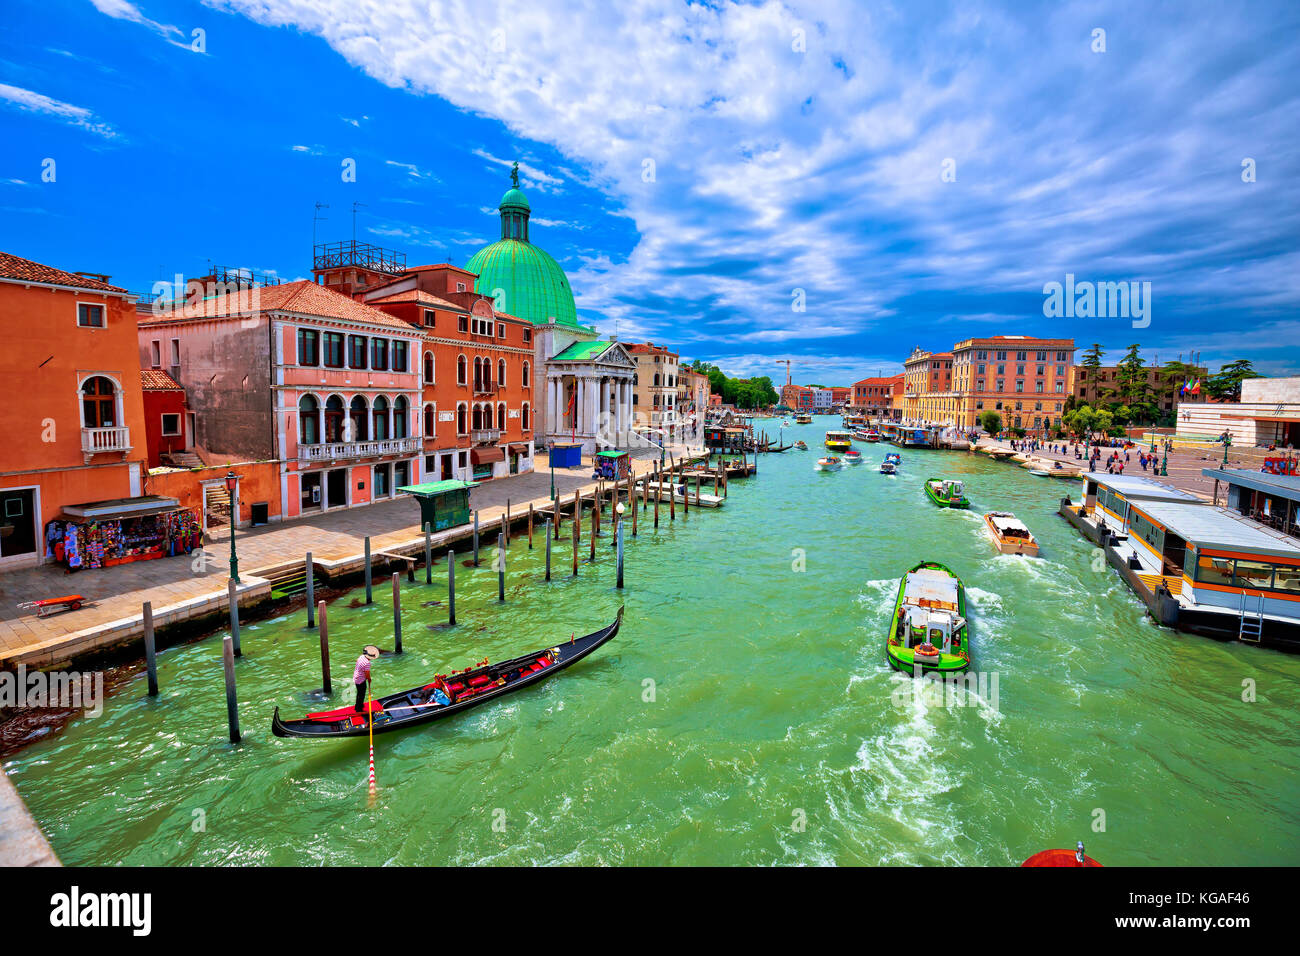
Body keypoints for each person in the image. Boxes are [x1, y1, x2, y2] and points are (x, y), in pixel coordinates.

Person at [354, 645, 380, 713]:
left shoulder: (361, 656)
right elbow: (367, 674)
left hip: (356, 677)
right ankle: (359, 709)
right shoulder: (367, 663)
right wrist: (369, 679)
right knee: (361, 694)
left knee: (359, 693)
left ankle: (358, 706)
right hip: (361, 680)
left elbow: (357, 663)